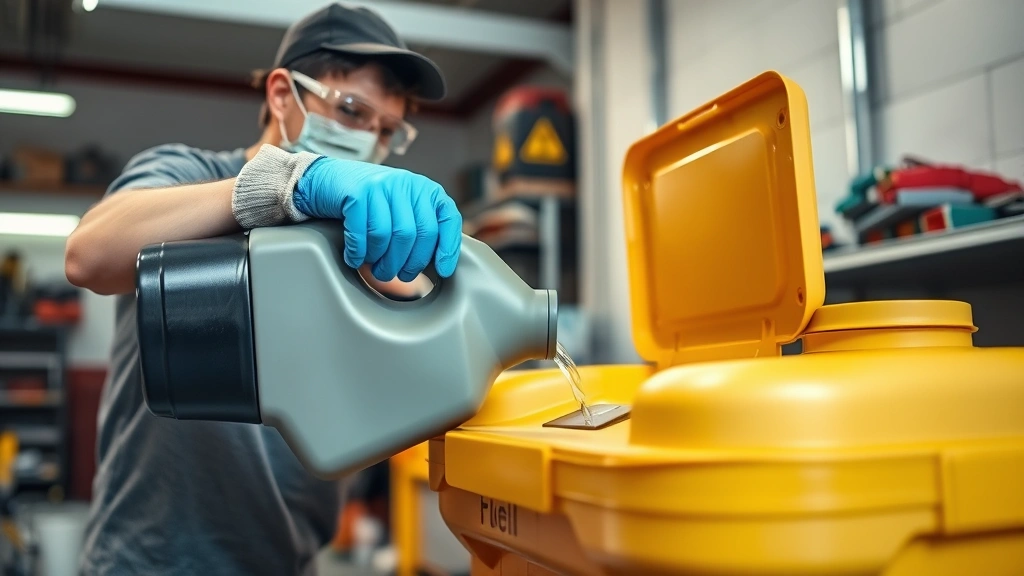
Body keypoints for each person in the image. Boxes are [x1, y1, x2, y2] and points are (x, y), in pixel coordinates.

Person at [64, 4, 461, 575]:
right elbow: (88, 255)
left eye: (387, 131)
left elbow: (430, 346)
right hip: (148, 559)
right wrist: (287, 185)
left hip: (285, 561)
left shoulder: (356, 248)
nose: (368, 143)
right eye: (352, 111)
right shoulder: (185, 177)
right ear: (282, 95)